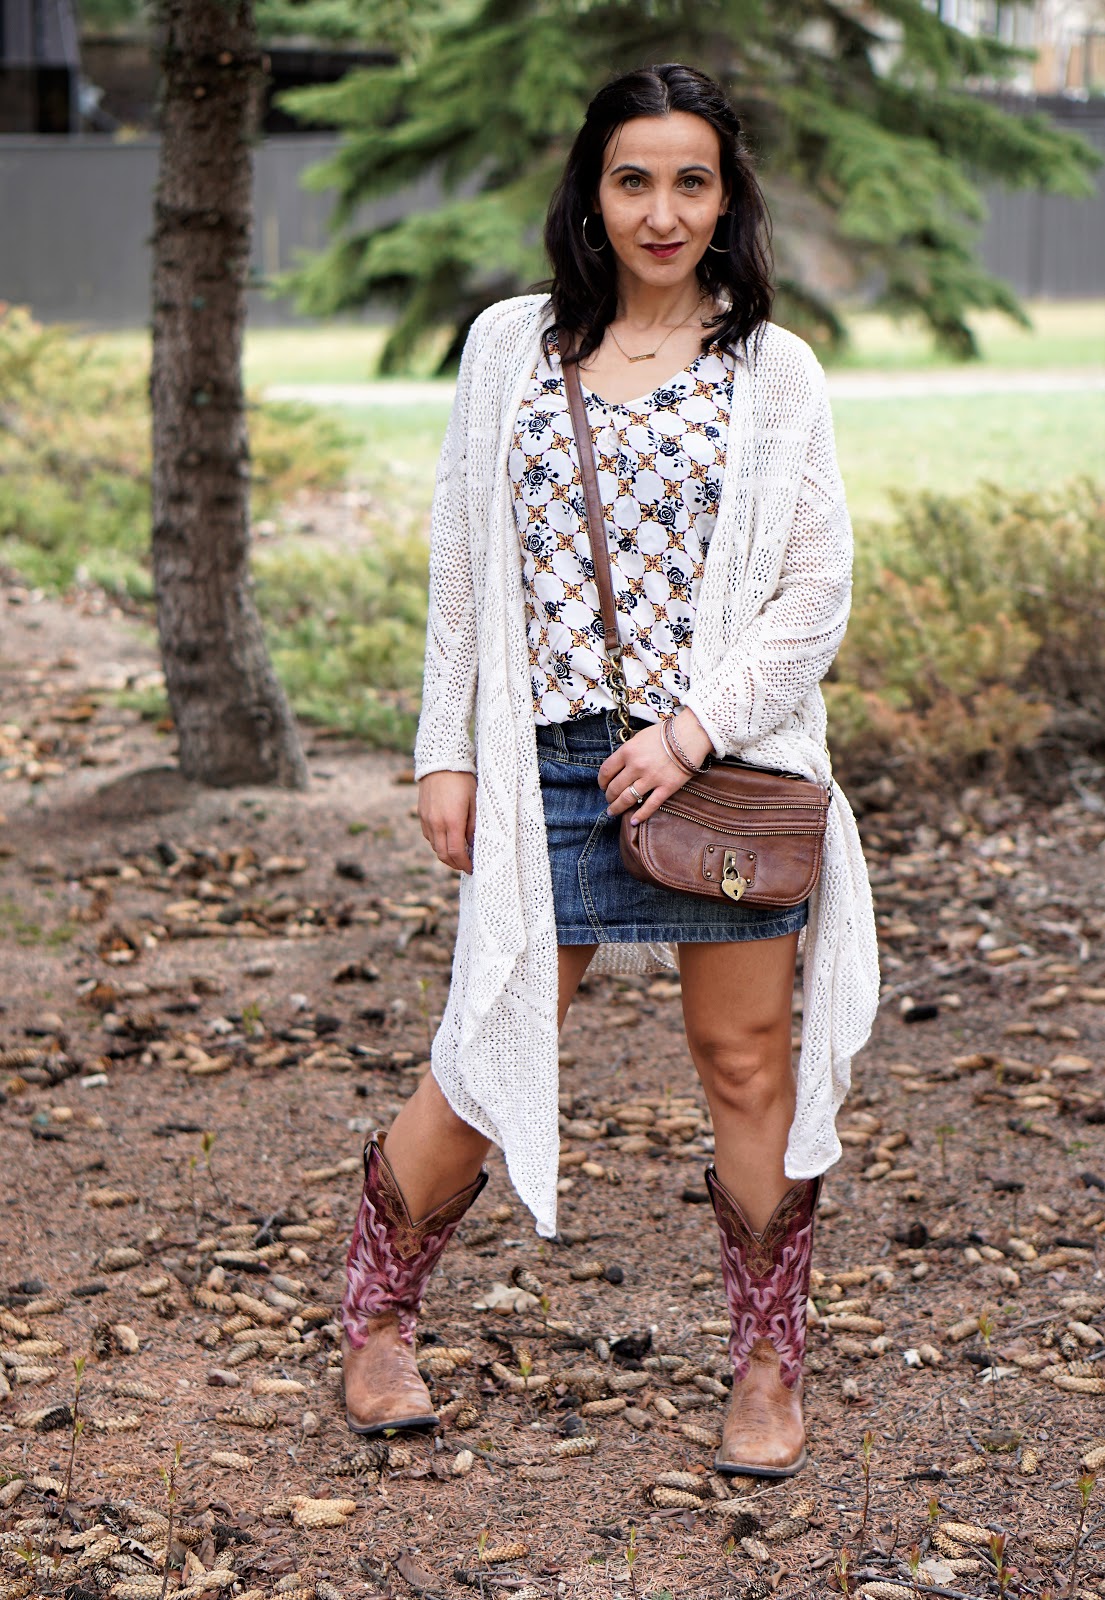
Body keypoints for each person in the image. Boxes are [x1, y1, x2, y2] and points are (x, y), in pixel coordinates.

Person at [340, 61, 879, 1479]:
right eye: (632, 179)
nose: (660, 210)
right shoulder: (509, 347)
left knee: (745, 1059)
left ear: (725, 196)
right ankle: (377, 1318)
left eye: (689, 181)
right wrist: (444, 752)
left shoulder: (772, 369)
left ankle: (766, 1362)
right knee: (489, 1040)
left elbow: (813, 593)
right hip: (546, 765)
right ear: (592, 188)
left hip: (720, 767)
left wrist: (692, 727)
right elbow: (463, 570)